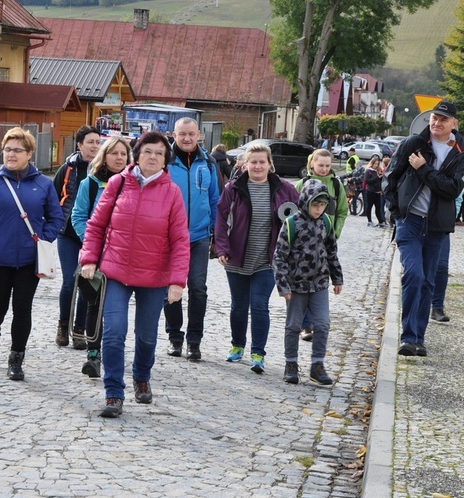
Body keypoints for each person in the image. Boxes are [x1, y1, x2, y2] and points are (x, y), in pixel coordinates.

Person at [79, 131, 190, 418]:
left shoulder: (172, 192)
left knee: (146, 337)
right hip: (115, 271)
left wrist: (178, 280)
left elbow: (180, 240)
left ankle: (142, 376)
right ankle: (114, 392)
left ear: (166, 161)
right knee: (114, 333)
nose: (152, 157)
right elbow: (95, 225)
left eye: (159, 154)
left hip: (154, 276)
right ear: (137, 155)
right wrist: (90, 259)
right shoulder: (117, 184)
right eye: (147, 152)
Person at [0, 127, 63, 380]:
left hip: (29, 261)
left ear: (29, 153)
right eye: (7, 149)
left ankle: (16, 358)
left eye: (17, 150)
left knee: (22, 310)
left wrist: (44, 239)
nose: (10, 154)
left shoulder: (43, 184)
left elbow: (56, 217)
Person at [382, 100, 464, 356]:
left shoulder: (463, 154)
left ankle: (418, 337)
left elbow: (452, 189)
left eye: (443, 119)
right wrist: (397, 212)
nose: (437, 123)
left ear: (454, 124)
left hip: (437, 227)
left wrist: (424, 170)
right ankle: (408, 337)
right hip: (409, 221)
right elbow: (390, 177)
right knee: (414, 275)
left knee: (427, 283)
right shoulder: (414, 143)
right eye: (434, 117)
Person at [214, 142, 299, 373]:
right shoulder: (233, 188)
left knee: (259, 305)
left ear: (270, 164)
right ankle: (237, 345)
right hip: (237, 256)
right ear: (245, 165)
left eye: (262, 162)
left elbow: (297, 221)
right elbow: (221, 219)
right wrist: (221, 248)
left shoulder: (285, 189)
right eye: (253, 162)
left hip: (268, 259)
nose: (258, 166)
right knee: (239, 306)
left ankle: (258, 353)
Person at [71, 136, 131, 378]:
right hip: (96, 254)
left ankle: (115, 352)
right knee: (94, 303)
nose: (119, 158)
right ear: (104, 156)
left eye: (123, 154)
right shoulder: (91, 184)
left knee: (116, 308)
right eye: (114, 153)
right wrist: (95, 244)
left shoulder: (134, 185)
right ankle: (93, 355)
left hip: (124, 255)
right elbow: (78, 217)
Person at [274, 179, 343, 386]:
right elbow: (279, 257)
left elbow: (331, 252)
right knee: (294, 325)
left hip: (320, 283)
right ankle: (291, 364)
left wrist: (337, 277)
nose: (318, 209)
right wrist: (283, 285)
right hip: (296, 285)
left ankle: (317, 364)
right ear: (305, 201)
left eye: (322, 205)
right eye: (315, 205)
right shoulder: (292, 223)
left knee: (322, 324)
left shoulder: (326, 223)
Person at [163, 117, 220, 360]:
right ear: (174, 135)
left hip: (198, 236)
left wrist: (217, 233)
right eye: (182, 134)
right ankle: (175, 338)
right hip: (169, 237)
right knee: (171, 286)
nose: (187, 138)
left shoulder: (208, 162)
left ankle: (194, 341)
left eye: (191, 134)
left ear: (199, 135)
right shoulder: (165, 161)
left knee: (198, 288)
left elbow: (215, 199)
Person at [53, 126, 101, 349]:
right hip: (68, 235)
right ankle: (63, 324)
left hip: (93, 237)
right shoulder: (68, 169)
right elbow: (53, 198)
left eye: (97, 142)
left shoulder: (103, 171)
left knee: (87, 282)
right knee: (70, 281)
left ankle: (79, 329)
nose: (94, 146)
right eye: (90, 142)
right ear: (79, 145)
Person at [293, 148, 348, 342]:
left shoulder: (335, 185)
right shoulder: (302, 184)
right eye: (320, 165)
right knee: (304, 280)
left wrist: (336, 231)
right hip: (303, 244)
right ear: (312, 164)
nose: (324, 169)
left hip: (326, 241)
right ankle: (306, 325)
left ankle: (317, 321)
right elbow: (293, 211)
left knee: (320, 280)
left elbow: (342, 211)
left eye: (327, 165)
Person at [363, 157, 387, 227]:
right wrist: (377, 177)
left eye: (377, 164)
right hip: (370, 191)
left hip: (377, 191)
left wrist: (381, 177)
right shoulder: (368, 171)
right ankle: (369, 221)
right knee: (369, 206)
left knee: (378, 207)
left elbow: (380, 181)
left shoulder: (378, 171)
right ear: (372, 163)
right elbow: (367, 181)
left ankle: (381, 221)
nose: (376, 165)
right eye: (375, 164)